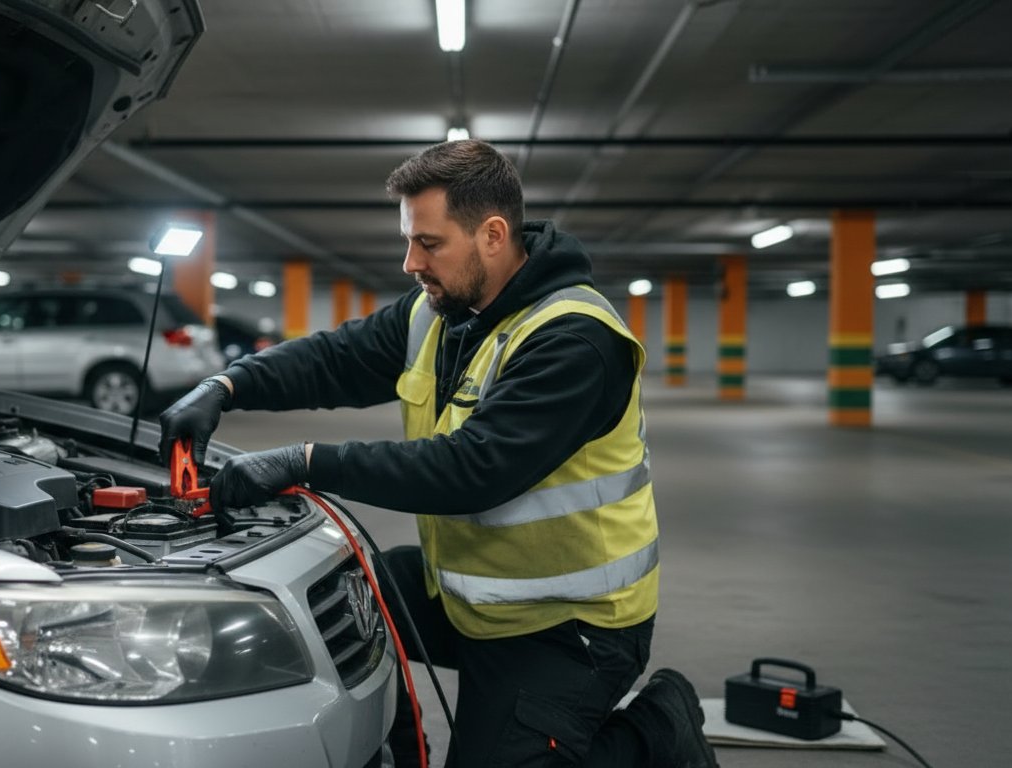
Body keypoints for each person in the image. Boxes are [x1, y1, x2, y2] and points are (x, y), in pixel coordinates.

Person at [158, 139, 717, 768]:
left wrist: (305, 461)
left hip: (569, 626)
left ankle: (659, 732)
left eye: (428, 243)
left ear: (493, 235)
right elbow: (336, 357)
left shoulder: (575, 340)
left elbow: (473, 469)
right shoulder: (440, 312)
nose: (409, 262)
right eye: (408, 240)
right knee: (345, 591)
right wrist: (225, 386)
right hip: (472, 596)